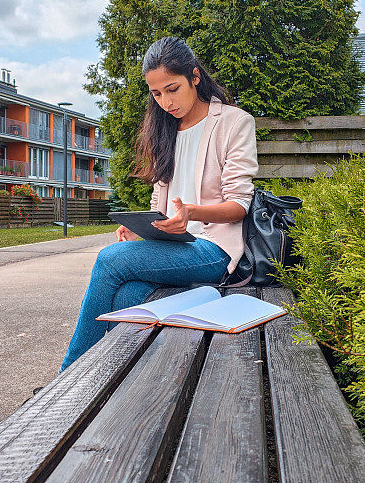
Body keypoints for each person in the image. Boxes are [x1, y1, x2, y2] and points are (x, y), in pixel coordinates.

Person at [59, 37, 258, 373]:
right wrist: (144, 227)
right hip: (175, 246)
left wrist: (191, 213)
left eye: (172, 88)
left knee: (109, 260)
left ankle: (68, 378)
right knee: (127, 296)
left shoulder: (233, 122)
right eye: (156, 93)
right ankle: (108, 381)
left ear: (194, 77)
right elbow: (160, 198)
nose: (166, 101)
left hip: (214, 250)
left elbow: (239, 204)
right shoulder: (165, 128)